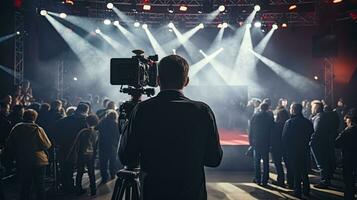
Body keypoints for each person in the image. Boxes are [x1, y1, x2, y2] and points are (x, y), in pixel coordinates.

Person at [119, 55, 223, 200]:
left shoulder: (142, 110)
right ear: (186, 81)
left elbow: (126, 156)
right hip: (191, 194)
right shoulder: (202, 111)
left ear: (158, 80)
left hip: (155, 193)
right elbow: (214, 159)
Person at [6, 109, 51, 200]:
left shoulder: (16, 128)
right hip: (39, 160)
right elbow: (47, 144)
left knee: (25, 184)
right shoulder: (38, 128)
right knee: (40, 185)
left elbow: (9, 143)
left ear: (23, 116)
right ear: (34, 117)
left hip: (23, 159)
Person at [56, 103, 89, 193]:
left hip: (64, 147)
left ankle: (66, 186)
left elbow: (56, 132)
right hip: (80, 148)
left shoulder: (64, 120)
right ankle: (77, 188)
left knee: (66, 167)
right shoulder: (84, 122)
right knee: (80, 168)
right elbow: (87, 136)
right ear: (86, 111)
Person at [282, 104, 314, 198]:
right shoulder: (307, 122)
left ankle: (297, 191)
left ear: (293, 110)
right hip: (304, 149)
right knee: (304, 171)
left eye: (291, 108)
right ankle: (306, 190)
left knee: (296, 171)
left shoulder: (289, 122)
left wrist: (285, 150)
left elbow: (284, 138)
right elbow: (311, 133)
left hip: (293, 150)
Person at [310, 100, 334, 188]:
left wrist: (311, 142)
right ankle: (327, 179)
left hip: (318, 143)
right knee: (325, 162)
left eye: (312, 107)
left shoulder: (319, 118)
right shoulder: (324, 116)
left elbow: (316, 132)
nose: (311, 109)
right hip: (324, 142)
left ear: (316, 108)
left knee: (321, 163)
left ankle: (324, 181)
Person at [74, 114, 99, 196]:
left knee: (80, 172)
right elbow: (95, 145)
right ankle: (93, 190)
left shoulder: (84, 131)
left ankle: (78, 189)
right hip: (91, 155)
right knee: (91, 173)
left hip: (82, 154)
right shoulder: (96, 132)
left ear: (87, 121)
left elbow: (80, 144)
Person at [249, 102, 274, 186]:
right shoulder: (270, 117)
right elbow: (272, 131)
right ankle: (265, 180)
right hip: (266, 142)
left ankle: (257, 179)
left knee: (257, 162)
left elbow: (251, 129)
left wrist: (251, 142)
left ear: (260, 107)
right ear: (267, 108)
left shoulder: (255, 116)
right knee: (266, 162)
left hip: (256, 142)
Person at [335, 109, 357, 200]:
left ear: (350, 119)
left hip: (348, 157)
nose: (345, 120)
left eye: (346, 118)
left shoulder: (347, 131)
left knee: (348, 180)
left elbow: (336, 143)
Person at [97, 110, 120, 184]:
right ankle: (112, 175)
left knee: (103, 163)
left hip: (102, 145)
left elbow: (96, 129)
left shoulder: (102, 123)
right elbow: (118, 135)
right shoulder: (116, 124)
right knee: (112, 162)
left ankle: (104, 178)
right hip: (112, 145)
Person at [271, 107, 289, 187]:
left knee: (278, 164)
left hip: (276, 147)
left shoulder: (275, 125)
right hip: (286, 146)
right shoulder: (288, 123)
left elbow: (272, 136)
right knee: (288, 164)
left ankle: (280, 180)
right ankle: (290, 181)